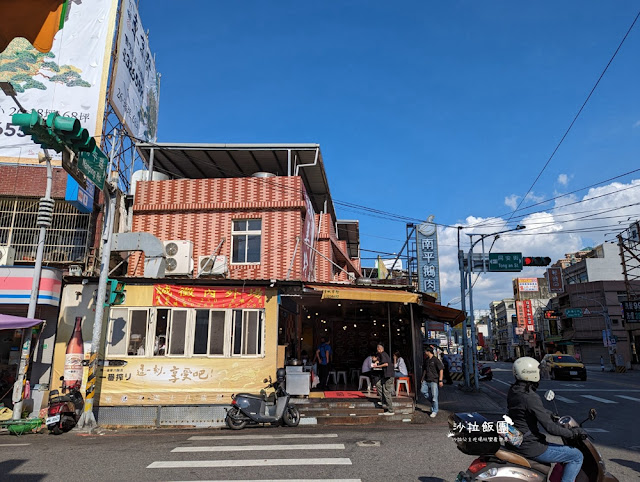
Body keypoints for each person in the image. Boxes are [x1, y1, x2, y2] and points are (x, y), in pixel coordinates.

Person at [508, 357, 586, 482]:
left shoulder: (515, 390)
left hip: (517, 441)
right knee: (576, 456)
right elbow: (551, 428)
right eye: (538, 371)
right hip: (530, 446)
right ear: (531, 373)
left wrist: (550, 414)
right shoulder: (530, 396)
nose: (540, 373)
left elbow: (528, 411)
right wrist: (573, 433)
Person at [421, 347, 444, 417]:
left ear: (428, 351)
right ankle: (434, 403)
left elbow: (441, 369)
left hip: (434, 380)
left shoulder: (436, 360)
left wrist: (440, 380)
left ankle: (435, 410)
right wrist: (422, 378)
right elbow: (424, 369)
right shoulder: (426, 360)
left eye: (425, 351)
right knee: (423, 391)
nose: (425, 352)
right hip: (426, 379)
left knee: (435, 396)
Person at [372, 344, 395, 414]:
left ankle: (390, 410)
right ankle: (383, 401)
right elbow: (380, 360)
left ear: (379, 349)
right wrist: (377, 361)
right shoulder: (383, 355)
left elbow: (386, 364)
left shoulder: (383, 354)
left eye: (377, 349)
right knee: (378, 384)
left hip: (389, 375)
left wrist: (378, 366)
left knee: (386, 391)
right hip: (386, 375)